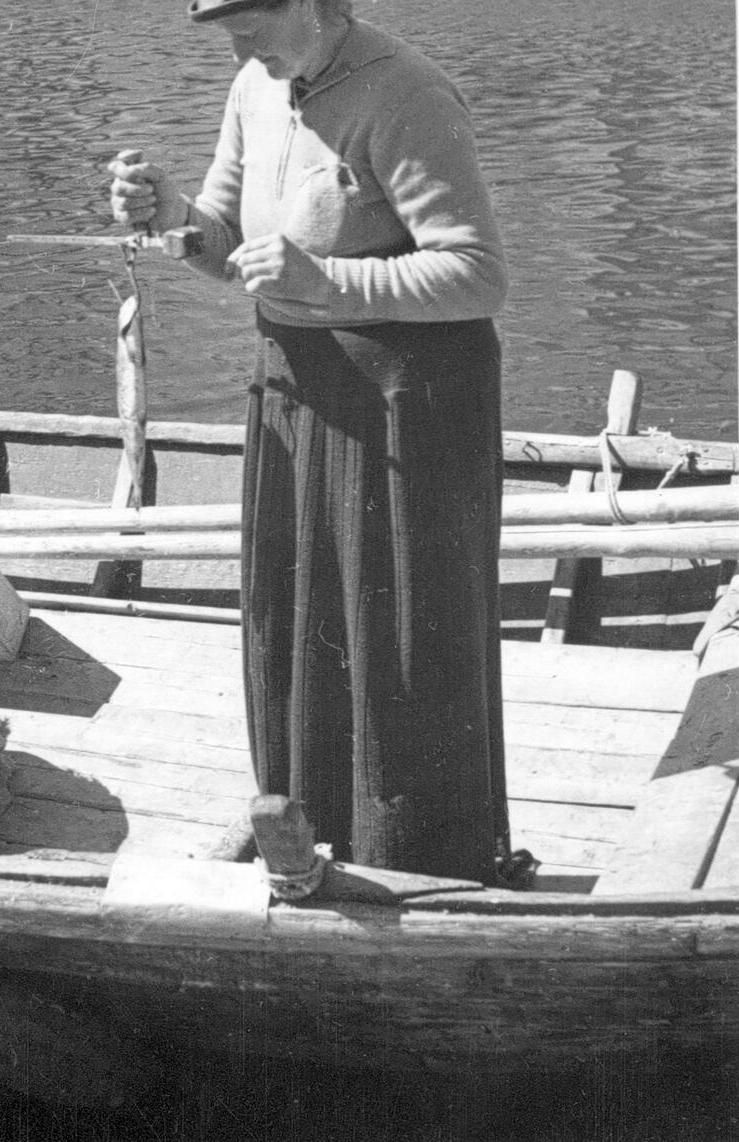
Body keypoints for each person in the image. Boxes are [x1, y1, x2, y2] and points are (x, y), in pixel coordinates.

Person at [108, 0, 510, 884]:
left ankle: (423, 860)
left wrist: (324, 279)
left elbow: (479, 273)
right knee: (293, 616)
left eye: (251, 26)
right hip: (295, 382)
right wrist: (172, 213)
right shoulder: (257, 86)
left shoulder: (407, 94)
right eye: (226, 33)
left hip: (407, 399)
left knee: (398, 635)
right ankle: (305, 823)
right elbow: (225, 240)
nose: (239, 48)